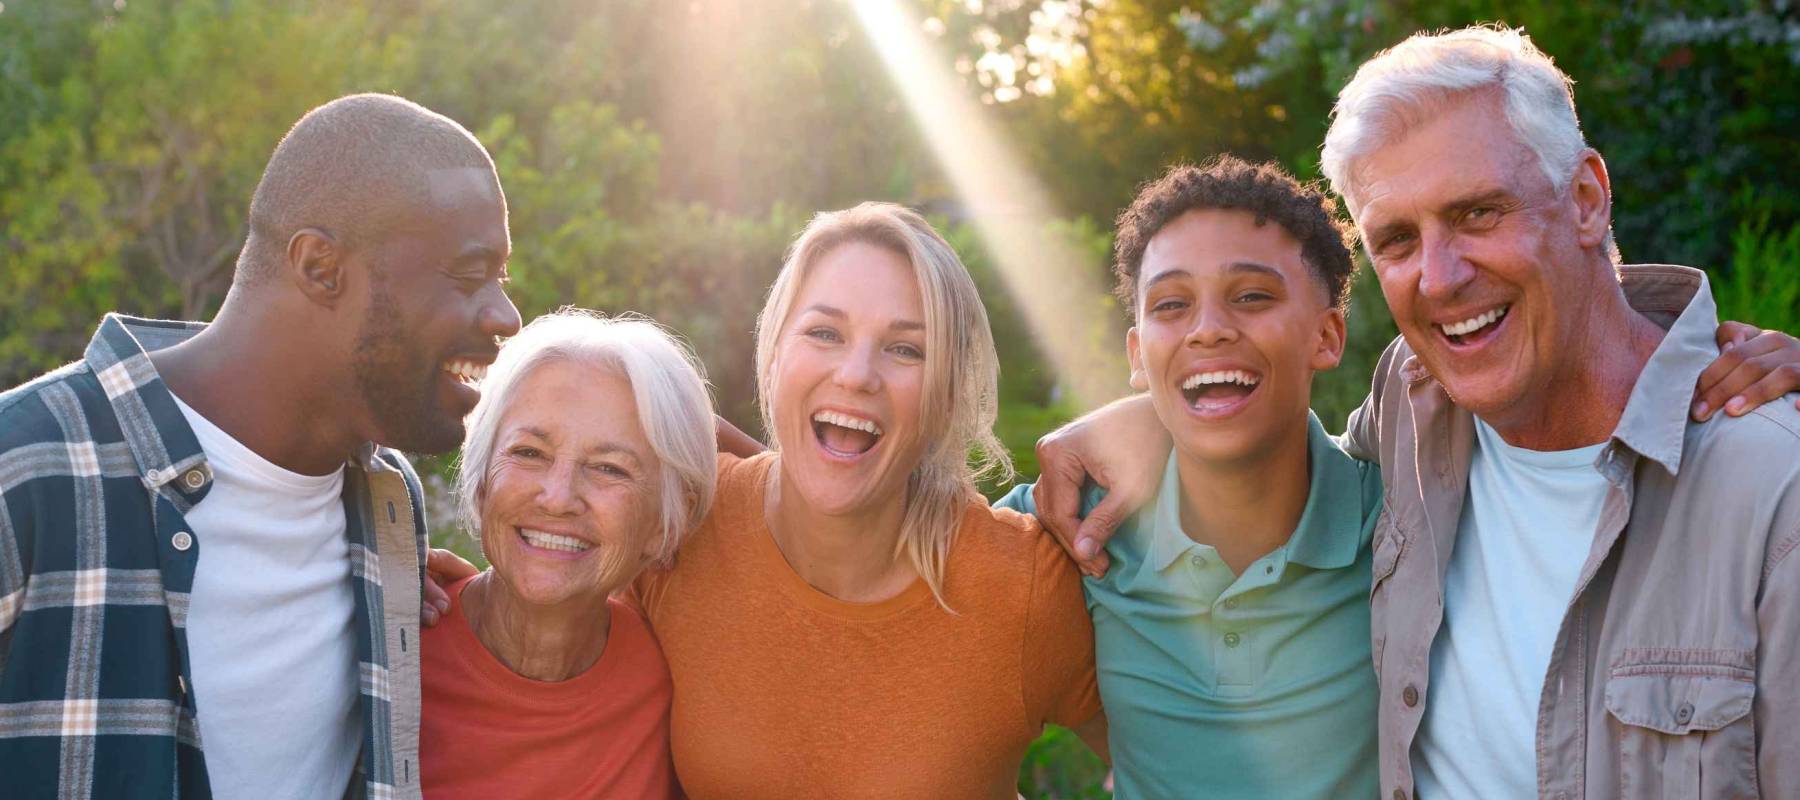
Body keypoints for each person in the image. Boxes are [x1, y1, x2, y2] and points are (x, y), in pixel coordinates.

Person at [1030, 26, 1800, 799]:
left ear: (1587, 200)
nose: (1439, 277)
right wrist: (1146, 421)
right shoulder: (1415, 402)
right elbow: (1266, 441)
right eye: (1397, 238)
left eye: (1477, 214)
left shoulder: (1773, 491)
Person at [0, 93, 520, 799]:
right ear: (319, 267)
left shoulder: (389, 510)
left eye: (503, 277)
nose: (505, 314)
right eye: (469, 273)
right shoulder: (25, 468)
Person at [632, 202, 1105, 798]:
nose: (857, 375)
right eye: (825, 333)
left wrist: (1154, 422)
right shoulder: (680, 527)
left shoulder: (1021, 588)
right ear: (775, 356)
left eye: (906, 349)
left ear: (948, 395)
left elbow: (1186, 761)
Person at [994, 156, 1382, 798]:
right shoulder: (1067, 524)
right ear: (1138, 355)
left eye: (1252, 296)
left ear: (1327, 335)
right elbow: (846, 544)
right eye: (1171, 304)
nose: (1208, 330)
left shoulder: (1406, 523)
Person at [420, 310, 714, 799]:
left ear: (665, 524)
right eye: (529, 453)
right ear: (480, 481)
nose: (557, 498)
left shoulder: (672, 683)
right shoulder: (391, 647)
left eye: (608, 468)